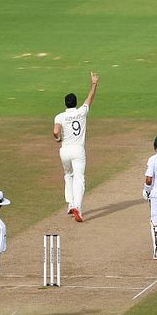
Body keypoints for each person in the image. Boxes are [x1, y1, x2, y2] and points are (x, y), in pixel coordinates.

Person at [53, 72, 99, 222]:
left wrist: (58, 138)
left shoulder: (59, 116)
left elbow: (55, 131)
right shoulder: (81, 112)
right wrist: (94, 83)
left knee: (68, 176)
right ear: (75, 102)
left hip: (64, 151)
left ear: (65, 104)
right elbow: (89, 99)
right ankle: (77, 206)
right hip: (78, 150)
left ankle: (70, 204)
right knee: (79, 178)